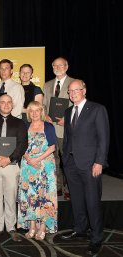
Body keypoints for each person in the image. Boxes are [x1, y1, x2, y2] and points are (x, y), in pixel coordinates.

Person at [60, 80, 109, 256]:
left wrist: (99, 162)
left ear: (84, 90)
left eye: (76, 90)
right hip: (71, 163)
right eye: (70, 91)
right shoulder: (68, 111)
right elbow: (68, 138)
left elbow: (103, 138)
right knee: (77, 199)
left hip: (90, 164)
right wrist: (64, 158)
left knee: (92, 201)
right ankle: (80, 229)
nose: (73, 93)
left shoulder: (97, 109)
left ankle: (96, 238)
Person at [0, 94, 27, 242]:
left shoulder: (20, 123)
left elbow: (23, 144)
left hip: (12, 165)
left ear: (12, 104)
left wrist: (9, 158)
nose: (5, 105)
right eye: (2, 102)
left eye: (9, 102)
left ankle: (11, 227)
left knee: (10, 198)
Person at [17, 101, 57, 240]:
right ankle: (32, 226)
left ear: (41, 111)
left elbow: (52, 147)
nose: (34, 113)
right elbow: (20, 145)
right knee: (30, 196)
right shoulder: (25, 126)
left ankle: (43, 228)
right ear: (28, 113)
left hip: (44, 166)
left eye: (37, 110)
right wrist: (29, 159)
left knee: (45, 196)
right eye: (31, 111)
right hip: (28, 166)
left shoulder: (49, 126)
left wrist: (37, 159)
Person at [43, 57, 75, 197]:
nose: (58, 67)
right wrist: (45, 116)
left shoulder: (74, 83)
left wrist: (67, 119)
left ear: (66, 67)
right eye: (55, 65)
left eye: (61, 65)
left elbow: (77, 105)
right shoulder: (47, 84)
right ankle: (57, 187)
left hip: (65, 128)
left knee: (67, 160)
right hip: (50, 128)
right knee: (53, 159)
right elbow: (43, 105)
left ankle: (69, 189)